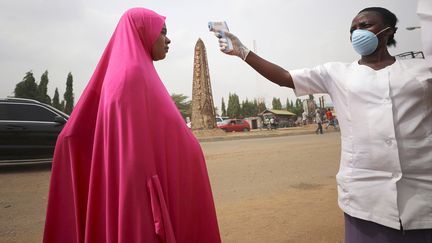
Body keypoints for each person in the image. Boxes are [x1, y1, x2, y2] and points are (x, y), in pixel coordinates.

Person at [214, 7, 432, 243]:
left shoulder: (421, 71)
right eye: (353, 29)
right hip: (365, 194)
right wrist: (242, 51)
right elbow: (285, 77)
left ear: (389, 31)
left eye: (365, 25)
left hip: (421, 193)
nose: (357, 32)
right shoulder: (336, 73)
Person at [44, 8, 221, 243]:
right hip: (144, 200)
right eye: (162, 32)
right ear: (142, 32)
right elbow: (133, 160)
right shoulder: (131, 76)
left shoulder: (138, 72)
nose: (168, 39)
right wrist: (149, 207)